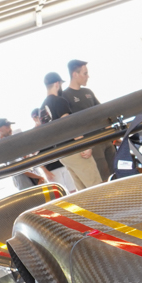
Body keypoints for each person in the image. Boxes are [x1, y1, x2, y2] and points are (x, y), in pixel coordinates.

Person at [58, 60, 105, 188]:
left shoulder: (88, 92)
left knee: (113, 175)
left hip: (104, 139)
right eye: (85, 73)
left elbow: (102, 112)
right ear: (75, 74)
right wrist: (85, 145)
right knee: (99, 183)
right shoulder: (64, 96)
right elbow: (68, 125)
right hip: (89, 146)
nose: (87, 76)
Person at [39, 72, 79, 193]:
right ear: (57, 84)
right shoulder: (59, 101)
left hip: (61, 153)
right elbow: (68, 125)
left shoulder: (42, 108)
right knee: (91, 183)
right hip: (73, 148)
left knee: (76, 188)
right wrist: (82, 143)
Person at [0, 118, 52, 190]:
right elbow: (18, 167)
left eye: (10, 126)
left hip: (34, 180)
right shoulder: (3, 146)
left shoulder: (12, 141)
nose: (10, 128)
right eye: (7, 126)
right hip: (28, 184)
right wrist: (39, 177)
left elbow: (27, 156)